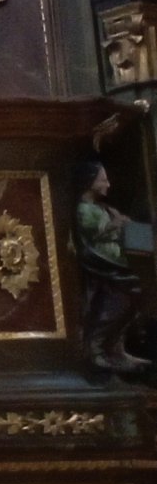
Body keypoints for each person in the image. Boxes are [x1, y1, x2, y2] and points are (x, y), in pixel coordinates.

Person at [76, 159, 148, 377]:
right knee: (115, 303)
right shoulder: (84, 209)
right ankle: (97, 349)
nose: (107, 184)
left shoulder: (102, 208)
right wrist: (114, 224)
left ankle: (116, 348)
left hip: (116, 262)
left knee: (133, 299)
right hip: (102, 265)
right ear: (90, 182)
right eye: (103, 180)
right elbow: (92, 233)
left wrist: (121, 222)